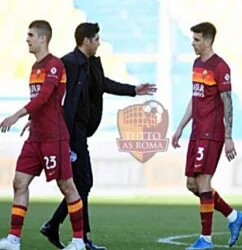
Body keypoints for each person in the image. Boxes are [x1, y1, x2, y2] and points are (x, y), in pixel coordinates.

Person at [38, 22, 157, 250]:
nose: (99, 42)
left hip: (81, 131)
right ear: (86, 41)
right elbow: (52, 94)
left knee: (82, 183)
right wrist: (48, 125)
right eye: (96, 39)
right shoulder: (69, 63)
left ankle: (55, 226)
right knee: (83, 183)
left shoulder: (91, 64)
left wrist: (133, 90)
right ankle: (78, 237)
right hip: (71, 132)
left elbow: (103, 84)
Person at [0, 20, 86, 250]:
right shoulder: (34, 67)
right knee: (19, 182)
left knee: (66, 186)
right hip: (35, 136)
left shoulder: (55, 65)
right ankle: (13, 239)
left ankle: (78, 240)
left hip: (54, 137)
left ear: (42, 39)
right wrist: (31, 120)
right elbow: (42, 104)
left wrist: (17, 115)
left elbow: (45, 97)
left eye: (30, 35)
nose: (27, 39)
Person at [172, 22, 242, 250]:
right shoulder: (196, 64)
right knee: (192, 185)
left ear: (207, 40)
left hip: (211, 132)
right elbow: (195, 99)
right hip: (196, 133)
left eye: (196, 39)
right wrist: (180, 127)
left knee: (204, 181)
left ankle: (206, 240)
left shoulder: (220, 67)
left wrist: (229, 136)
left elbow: (227, 103)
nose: (192, 43)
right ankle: (234, 216)